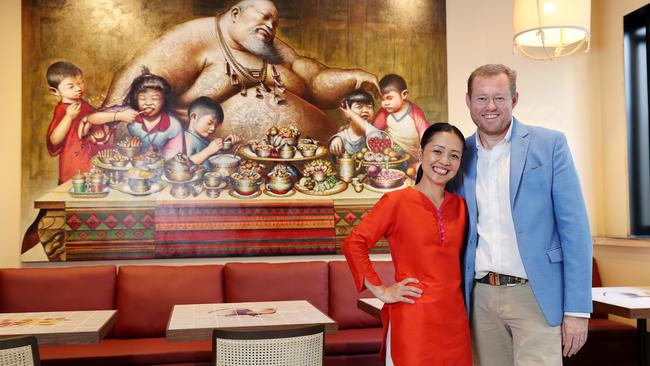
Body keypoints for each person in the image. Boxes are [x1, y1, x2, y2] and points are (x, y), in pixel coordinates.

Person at [459, 64, 592, 365]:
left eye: (499, 98)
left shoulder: (550, 145)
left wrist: (577, 310)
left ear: (514, 99)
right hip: (480, 299)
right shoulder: (459, 154)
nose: (490, 106)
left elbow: (576, 232)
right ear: (468, 101)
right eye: (481, 98)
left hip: (536, 295)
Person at [101, 0, 379, 143]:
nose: (271, 25)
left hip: (301, 163)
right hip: (214, 162)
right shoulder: (193, 37)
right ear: (235, 14)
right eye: (264, 16)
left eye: (275, 22)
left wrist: (354, 77)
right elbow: (135, 84)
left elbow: (312, 80)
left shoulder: (266, 45)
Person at [343, 123, 471, 366]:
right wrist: (382, 291)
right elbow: (354, 243)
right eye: (437, 151)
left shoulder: (461, 207)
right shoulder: (396, 201)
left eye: (454, 155)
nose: (445, 161)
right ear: (421, 154)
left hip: (455, 323)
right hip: (414, 319)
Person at [45, 61, 112, 184]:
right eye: (71, 86)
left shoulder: (84, 105)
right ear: (55, 91)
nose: (78, 88)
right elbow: (54, 140)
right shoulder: (63, 110)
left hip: (91, 160)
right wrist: (68, 117)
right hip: (74, 165)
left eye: (81, 82)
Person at [89, 71, 183, 152]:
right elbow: (92, 118)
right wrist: (118, 116)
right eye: (143, 98)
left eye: (154, 98)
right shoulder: (127, 112)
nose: (148, 103)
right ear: (135, 99)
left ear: (163, 101)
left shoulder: (173, 125)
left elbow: (174, 154)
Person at [162, 96, 241, 170]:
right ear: (194, 117)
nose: (213, 128)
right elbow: (184, 165)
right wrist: (209, 150)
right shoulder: (185, 139)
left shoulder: (202, 137)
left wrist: (227, 145)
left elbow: (211, 156)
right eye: (209, 123)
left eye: (216, 126)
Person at [372, 74, 429, 163]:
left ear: (404, 94)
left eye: (389, 98)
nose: (385, 104)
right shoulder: (384, 112)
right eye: (382, 99)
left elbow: (426, 136)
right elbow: (373, 131)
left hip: (415, 159)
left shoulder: (415, 112)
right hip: (394, 159)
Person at [328, 89, 382, 157]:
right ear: (347, 111)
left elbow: (375, 137)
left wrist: (352, 115)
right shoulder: (339, 139)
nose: (365, 110)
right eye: (359, 106)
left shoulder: (373, 134)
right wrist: (338, 138)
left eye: (369, 107)